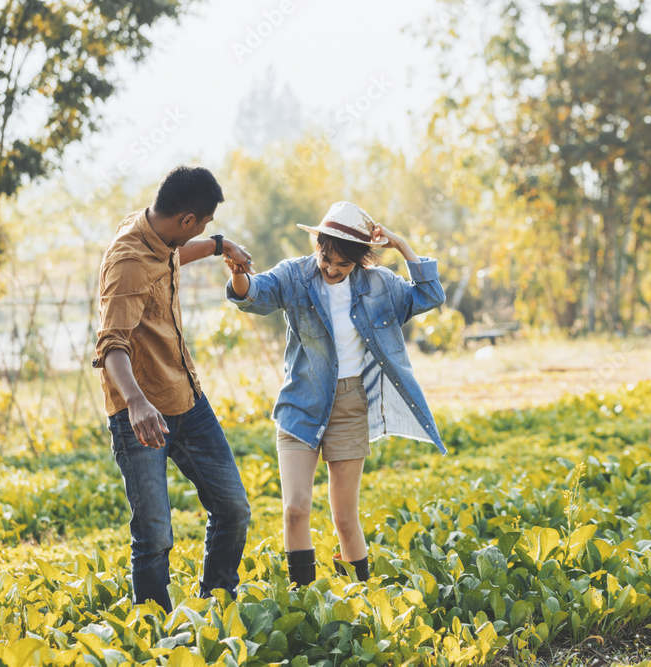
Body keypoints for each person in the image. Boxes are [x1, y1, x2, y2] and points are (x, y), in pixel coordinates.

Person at [226, 201, 446, 588]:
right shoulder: (295, 275)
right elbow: (254, 296)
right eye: (326, 257)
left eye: (342, 264)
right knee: (295, 509)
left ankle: (360, 597)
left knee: (345, 518)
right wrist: (241, 276)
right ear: (319, 245)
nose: (330, 269)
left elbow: (428, 295)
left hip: (350, 405)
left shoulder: (379, 285)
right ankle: (304, 599)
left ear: (360, 261)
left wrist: (402, 246)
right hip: (301, 402)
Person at [93, 165, 254, 612]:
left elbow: (171, 258)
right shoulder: (127, 261)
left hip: (187, 398)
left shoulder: (158, 235)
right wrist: (138, 404)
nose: (204, 229)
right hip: (141, 414)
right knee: (155, 534)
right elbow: (111, 345)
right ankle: (154, 632)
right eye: (203, 224)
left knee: (233, 509)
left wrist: (220, 246)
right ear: (186, 220)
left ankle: (217, 604)